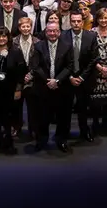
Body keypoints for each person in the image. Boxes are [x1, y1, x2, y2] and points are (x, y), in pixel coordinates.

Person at [31, 20, 75, 151]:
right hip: (43, 87)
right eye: (49, 31)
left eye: (55, 31)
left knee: (63, 117)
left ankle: (61, 140)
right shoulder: (38, 46)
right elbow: (36, 66)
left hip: (62, 87)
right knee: (42, 117)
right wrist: (48, 81)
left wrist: (57, 81)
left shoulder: (67, 46)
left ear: (59, 32)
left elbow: (70, 66)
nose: (52, 33)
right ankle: (42, 140)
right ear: (46, 32)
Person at [0, 27, 25, 154]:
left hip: (9, 89)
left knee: (8, 116)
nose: (1, 39)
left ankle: (8, 139)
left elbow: (21, 71)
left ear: (8, 38)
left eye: (4, 36)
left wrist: (18, 89)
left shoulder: (15, 51)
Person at [63, 11, 99, 143]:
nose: (76, 23)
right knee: (65, 108)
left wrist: (82, 77)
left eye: (78, 21)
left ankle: (84, 131)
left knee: (83, 108)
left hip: (84, 78)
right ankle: (64, 133)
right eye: (73, 21)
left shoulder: (91, 36)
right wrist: (70, 77)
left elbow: (94, 59)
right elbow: (60, 59)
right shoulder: (63, 36)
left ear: (83, 22)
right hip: (67, 78)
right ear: (70, 22)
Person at [12, 17, 40, 137]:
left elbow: (39, 61)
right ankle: (17, 127)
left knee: (32, 106)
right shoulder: (13, 41)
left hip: (32, 78)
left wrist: (31, 74)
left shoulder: (37, 42)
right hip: (17, 78)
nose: (26, 29)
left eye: (28, 26)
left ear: (31, 27)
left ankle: (32, 128)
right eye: (23, 26)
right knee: (16, 105)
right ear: (19, 28)